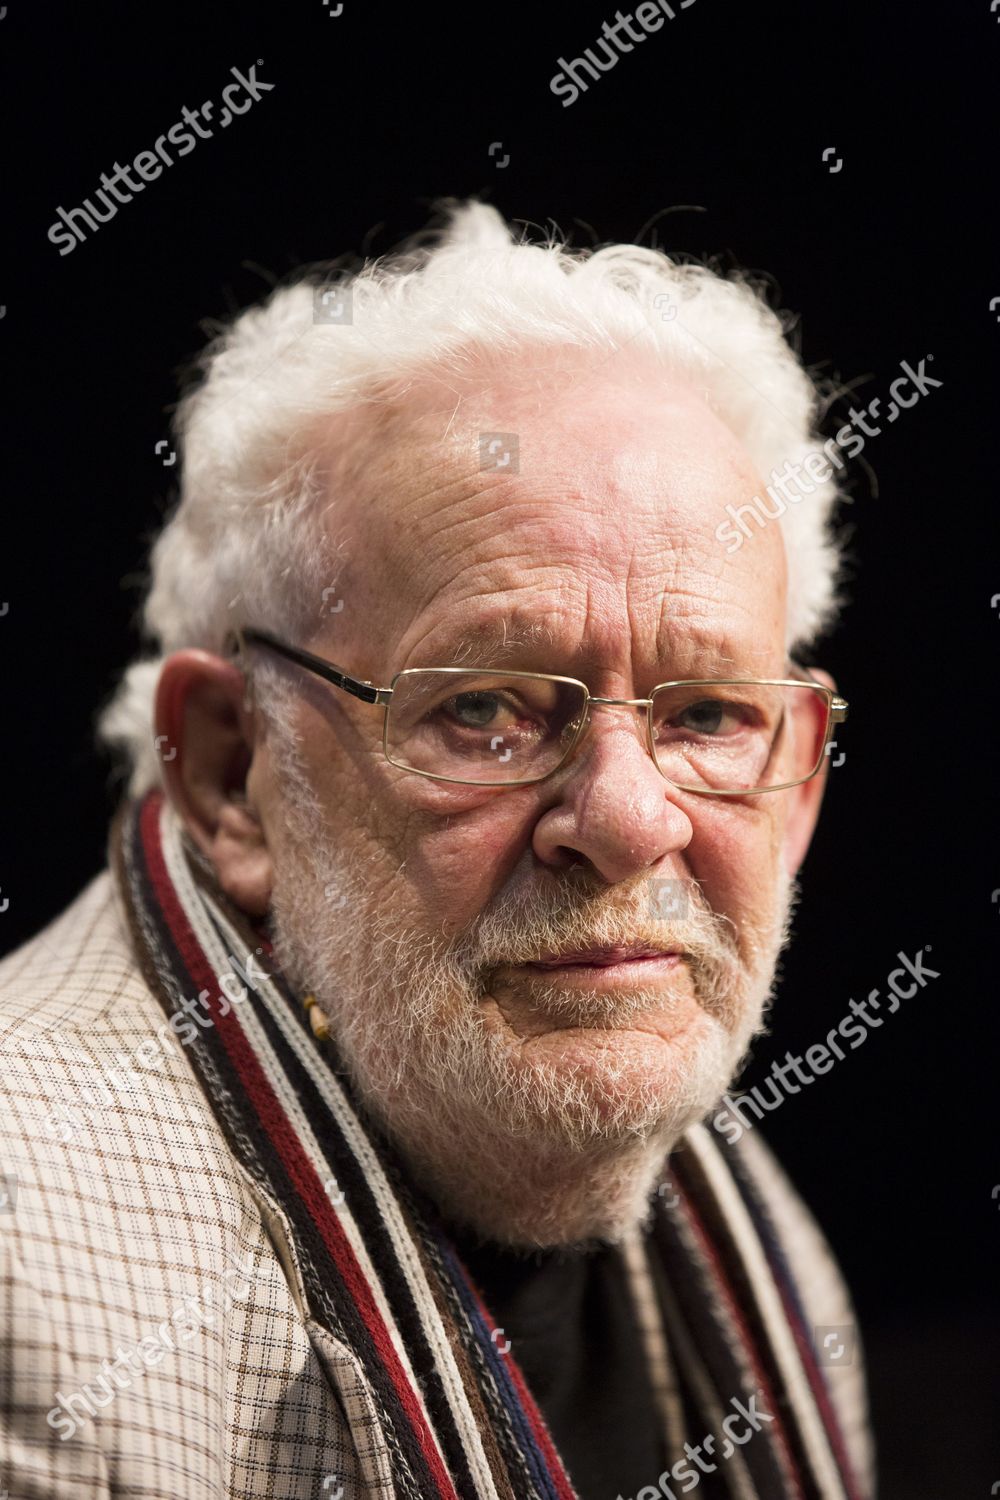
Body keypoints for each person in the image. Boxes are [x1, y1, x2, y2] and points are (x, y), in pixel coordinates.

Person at [0, 200, 873, 1498]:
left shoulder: (764, 1250)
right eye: (485, 710)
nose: (633, 821)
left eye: (707, 717)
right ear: (238, 773)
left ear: (796, 781)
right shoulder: (29, 1306)